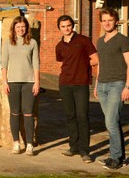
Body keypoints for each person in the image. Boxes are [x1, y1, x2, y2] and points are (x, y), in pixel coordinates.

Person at [94, 7, 129, 170]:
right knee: (112, 122)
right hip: (102, 86)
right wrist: (96, 85)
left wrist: (128, 86)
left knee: (110, 122)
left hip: (117, 85)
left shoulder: (123, 40)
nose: (107, 23)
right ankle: (119, 156)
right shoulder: (100, 41)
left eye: (109, 20)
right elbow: (100, 64)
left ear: (116, 21)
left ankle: (115, 157)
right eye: (104, 20)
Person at [55, 15, 98, 164]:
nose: (66, 28)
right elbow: (61, 62)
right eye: (63, 26)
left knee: (82, 116)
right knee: (70, 116)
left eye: (68, 25)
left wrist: (83, 65)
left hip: (81, 84)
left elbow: (96, 59)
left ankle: (85, 151)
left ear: (72, 26)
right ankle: (73, 147)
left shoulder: (83, 41)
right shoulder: (59, 46)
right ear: (59, 28)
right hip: (65, 84)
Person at [1, 15, 40, 156]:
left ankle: (29, 145)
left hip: (29, 82)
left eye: (23, 27)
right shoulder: (8, 43)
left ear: (26, 28)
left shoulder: (32, 43)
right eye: (18, 27)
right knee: (15, 113)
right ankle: (16, 143)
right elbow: (3, 64)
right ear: (14, 28)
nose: (20, 29)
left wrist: (37, 82)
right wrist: (4, 82)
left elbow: (36, 63)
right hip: (12, 82)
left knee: (29, 113)